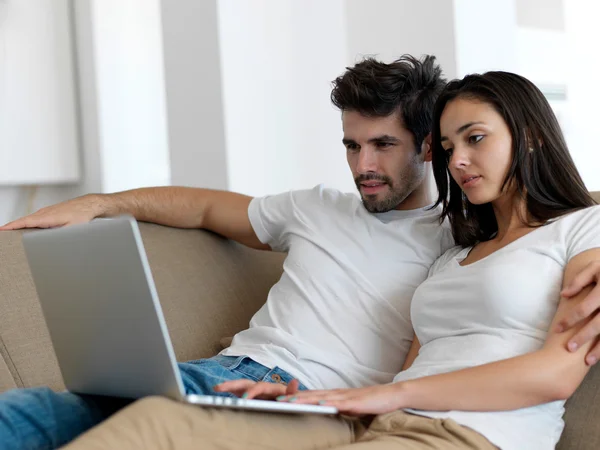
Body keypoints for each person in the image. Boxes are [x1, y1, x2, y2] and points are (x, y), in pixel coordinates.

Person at [59, 71, 600, 450]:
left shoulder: (583, 227)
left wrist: (391, 394)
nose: (458, 160)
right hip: (378, 424)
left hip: (470, 434)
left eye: (476, 138)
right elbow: (408, 366)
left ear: (528, 136)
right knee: (160, 419)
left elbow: (556, 374)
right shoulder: (451, 257)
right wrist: (312, 399)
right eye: (449, 143)